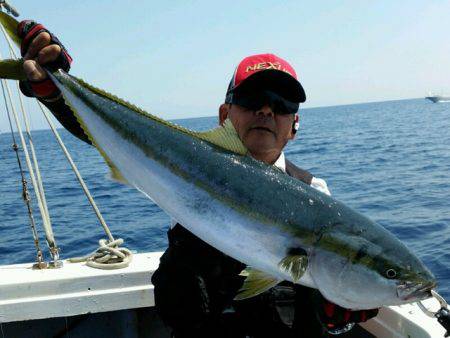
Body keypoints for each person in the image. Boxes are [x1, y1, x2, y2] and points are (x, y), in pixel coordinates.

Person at [18, 20, 378, 338]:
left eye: (283, 104)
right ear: (225, 114)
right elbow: (122, 140)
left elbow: (329, 293)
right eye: (252, 98)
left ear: (294, 127)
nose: (266, 110)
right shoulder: (188, 166)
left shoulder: (314, 194)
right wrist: (55, 90)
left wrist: (337, 315)